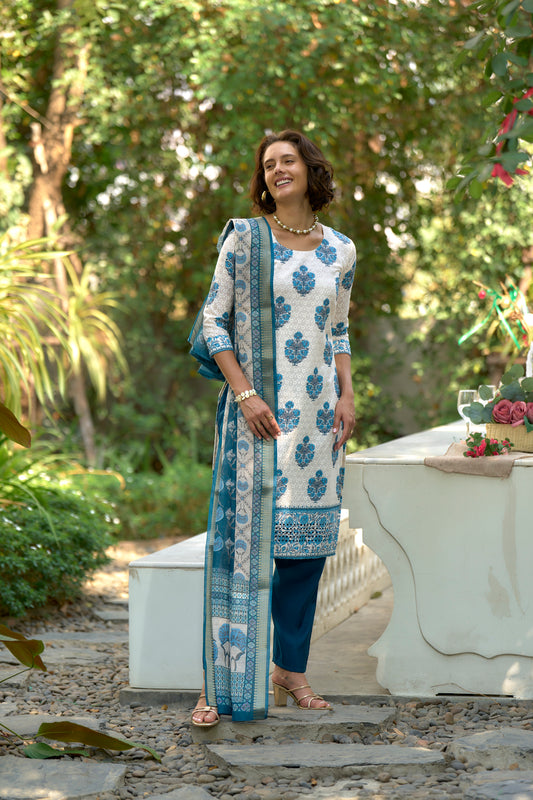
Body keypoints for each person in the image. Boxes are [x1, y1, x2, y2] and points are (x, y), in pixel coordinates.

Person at [188, 129, 356, 726]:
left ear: (310, 169)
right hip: (256, 418)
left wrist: (348, 393)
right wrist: (246, 393)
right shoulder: (243, 238)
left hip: (319, 421)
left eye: (288, 160)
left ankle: (291, 669)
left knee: (306, 552)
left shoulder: (341, 250)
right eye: (268, 165)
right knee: (241, 548)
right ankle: (219, 684)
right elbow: (213, 323)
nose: (277, 170)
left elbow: (339, 329)